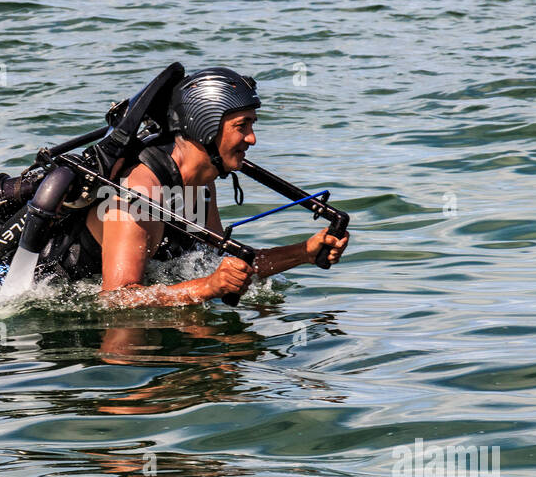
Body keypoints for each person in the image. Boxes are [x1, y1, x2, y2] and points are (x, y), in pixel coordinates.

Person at [61, 67, 349, 306]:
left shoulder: (201, 183)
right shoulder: (139, 193)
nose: (252, 139)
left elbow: (216, 265)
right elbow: (115, 300)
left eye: (253, 125)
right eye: (242, 126)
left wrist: (303, 252)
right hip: (63, 302)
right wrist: (206, 288)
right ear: (205, 125)